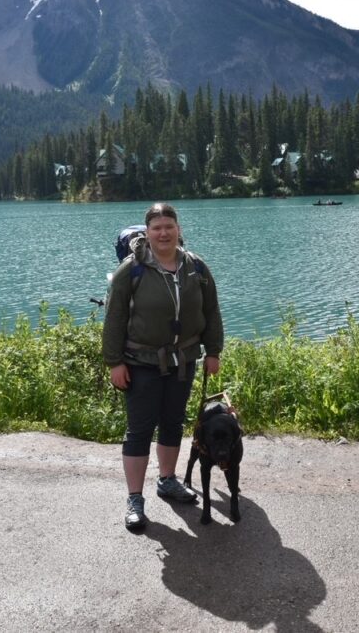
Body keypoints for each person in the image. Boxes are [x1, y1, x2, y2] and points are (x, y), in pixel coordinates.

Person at [102, 202, 224, 531]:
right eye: (156, 227)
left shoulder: (195, 267)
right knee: (139, 430)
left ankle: (167, 480)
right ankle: (135, 499)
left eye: (169, 225)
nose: (164, 232)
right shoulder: (133, 270)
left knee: (172, 423)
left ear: (179, 229)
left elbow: (211, 311)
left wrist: (213, 351)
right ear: (148, 233)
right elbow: (114, 319)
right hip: (140, 362)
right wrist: (114, 362)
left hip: (183, 360)